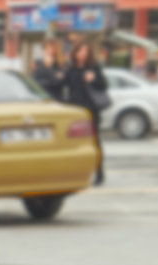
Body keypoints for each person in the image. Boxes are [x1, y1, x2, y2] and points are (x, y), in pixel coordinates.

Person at [63, 41, 108, 185]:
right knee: (73, 144)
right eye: (80, 51)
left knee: (94, 142)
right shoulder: (70, 69)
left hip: (91, 111)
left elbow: (104, 84)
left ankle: (99, 173)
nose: (83, 54)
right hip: (75, 112)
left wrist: (94, 78)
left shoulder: (93, 68)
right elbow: (61, 85)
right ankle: (76, 173)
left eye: (86, 51)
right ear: (75, 53)